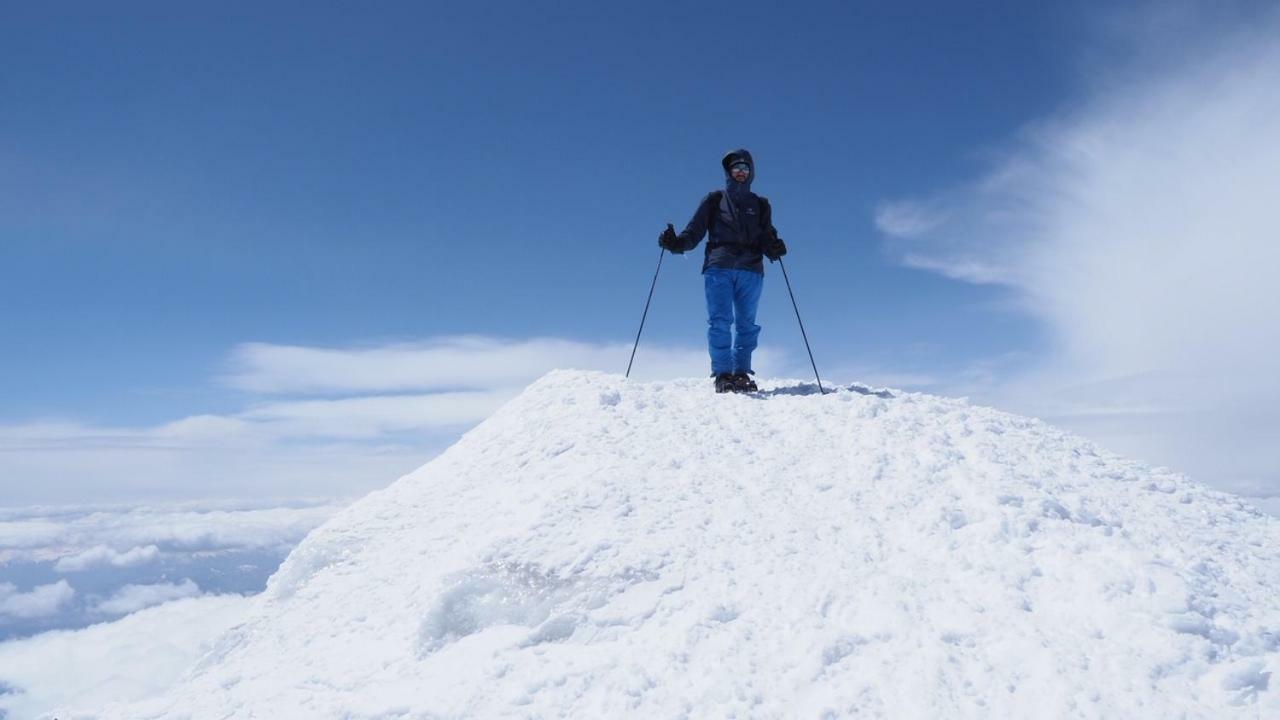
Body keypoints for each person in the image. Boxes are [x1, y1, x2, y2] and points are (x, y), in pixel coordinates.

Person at [659, 148, 787, 393]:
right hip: (719, 266)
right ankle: (722, 374)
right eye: (736, 168)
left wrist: (775, 248)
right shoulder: (714, 200)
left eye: (745, 168)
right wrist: (675, 244)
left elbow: (767, 236)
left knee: (747, 324)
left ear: (751, 173)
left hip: (751, 269)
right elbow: (694, 232)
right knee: (720, 321)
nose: (741, 172)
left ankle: (741, 373)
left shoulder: (760, 204)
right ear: (729, 173)